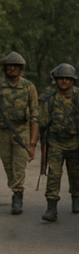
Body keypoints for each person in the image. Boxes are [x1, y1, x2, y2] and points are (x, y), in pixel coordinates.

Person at [38, 63, 79, 221]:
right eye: (61, 78)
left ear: (72, 80)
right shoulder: (50, 98)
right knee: (54, 175)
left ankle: (75, 197)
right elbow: (43, 123)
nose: (64, 81)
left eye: (67, 79)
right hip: (56, 142)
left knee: (75, 175)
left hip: (75, 142)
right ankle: (51, 208)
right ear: (56, 79)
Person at [0, 51, 39, 215]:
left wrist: (32, 144)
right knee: (8, 164)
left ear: (21, 68)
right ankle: (14, 186)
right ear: (5, 67)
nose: (12, 69)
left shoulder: (29, 87)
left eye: (16, 66)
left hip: (21, 131)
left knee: (19, 165)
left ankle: (17, 194)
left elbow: (35, 116)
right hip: (2, 131)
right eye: (10, 65)